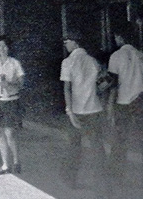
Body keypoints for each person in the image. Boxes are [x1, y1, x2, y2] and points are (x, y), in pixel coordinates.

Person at [60, 29, 106, 189]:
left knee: (74, 147)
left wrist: (70, 112)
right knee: (97, 147)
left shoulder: (68, 62)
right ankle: (102, 184)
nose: (66, 44)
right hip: (94, 109)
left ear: (75, 42)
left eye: (67, 41)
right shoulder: (93, 61)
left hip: (77, 111)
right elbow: (102, 85)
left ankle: (71, 181)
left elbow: (67, 89)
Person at [0, 35, 24, 175]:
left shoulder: (14, 63)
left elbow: (21, 83)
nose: (2, 48)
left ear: (9, 48)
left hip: (10, 100)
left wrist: (9, 84)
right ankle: (5, 164)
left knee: (10, 133)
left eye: (5, 45)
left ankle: (16, 161)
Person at [107, 25, 143, 178]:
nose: (115, 40)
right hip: (140, 99)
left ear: (120, 37)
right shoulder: (140, 54)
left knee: (120, 137)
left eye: (116, 37)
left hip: (123, 102)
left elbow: (112, 83)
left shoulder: (116, 56)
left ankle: (116, 172)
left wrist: (109, 104)